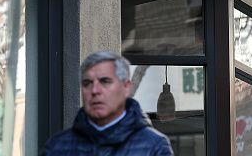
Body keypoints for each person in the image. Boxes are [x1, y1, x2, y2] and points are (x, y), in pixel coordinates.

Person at [41, 51, 173, 155]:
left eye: (105, 81)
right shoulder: (57, 146)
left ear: (126, 87)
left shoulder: (154, 146)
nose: (95, 91)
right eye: (87, 83)